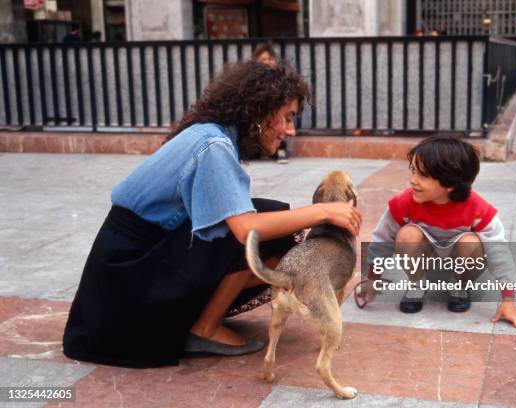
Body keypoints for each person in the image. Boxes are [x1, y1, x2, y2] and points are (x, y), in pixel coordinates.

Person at [62, 61, 362, 368]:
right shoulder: (213, 145)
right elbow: (246, 230)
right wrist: (322, 210)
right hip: (128, 283)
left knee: (269, 220)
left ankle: (199, 314)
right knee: (262, 226)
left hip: (123, 276)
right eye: (287, 117)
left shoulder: (211, 135)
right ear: (259, 110)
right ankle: (204, 327)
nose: (291, 130)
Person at [361, 135, 516, 329]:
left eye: (422, 175)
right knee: (407, 234)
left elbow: (499, 252)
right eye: (413, 171)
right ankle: (417, 284)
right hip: (425, 261)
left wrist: (508, 300)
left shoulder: (477, 209)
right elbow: (382, 239)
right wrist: (373, 278)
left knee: (470, 240)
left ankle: (458, 286)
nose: (412, 180)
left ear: (450, 183)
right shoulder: (405, 203)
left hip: (461, 265)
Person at [251, 43, 289, 164]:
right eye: (263, 59)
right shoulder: (252, 77)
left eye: (270, 59)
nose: (267, 62)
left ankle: (280, 150)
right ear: (256, 61)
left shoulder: (279, 77)